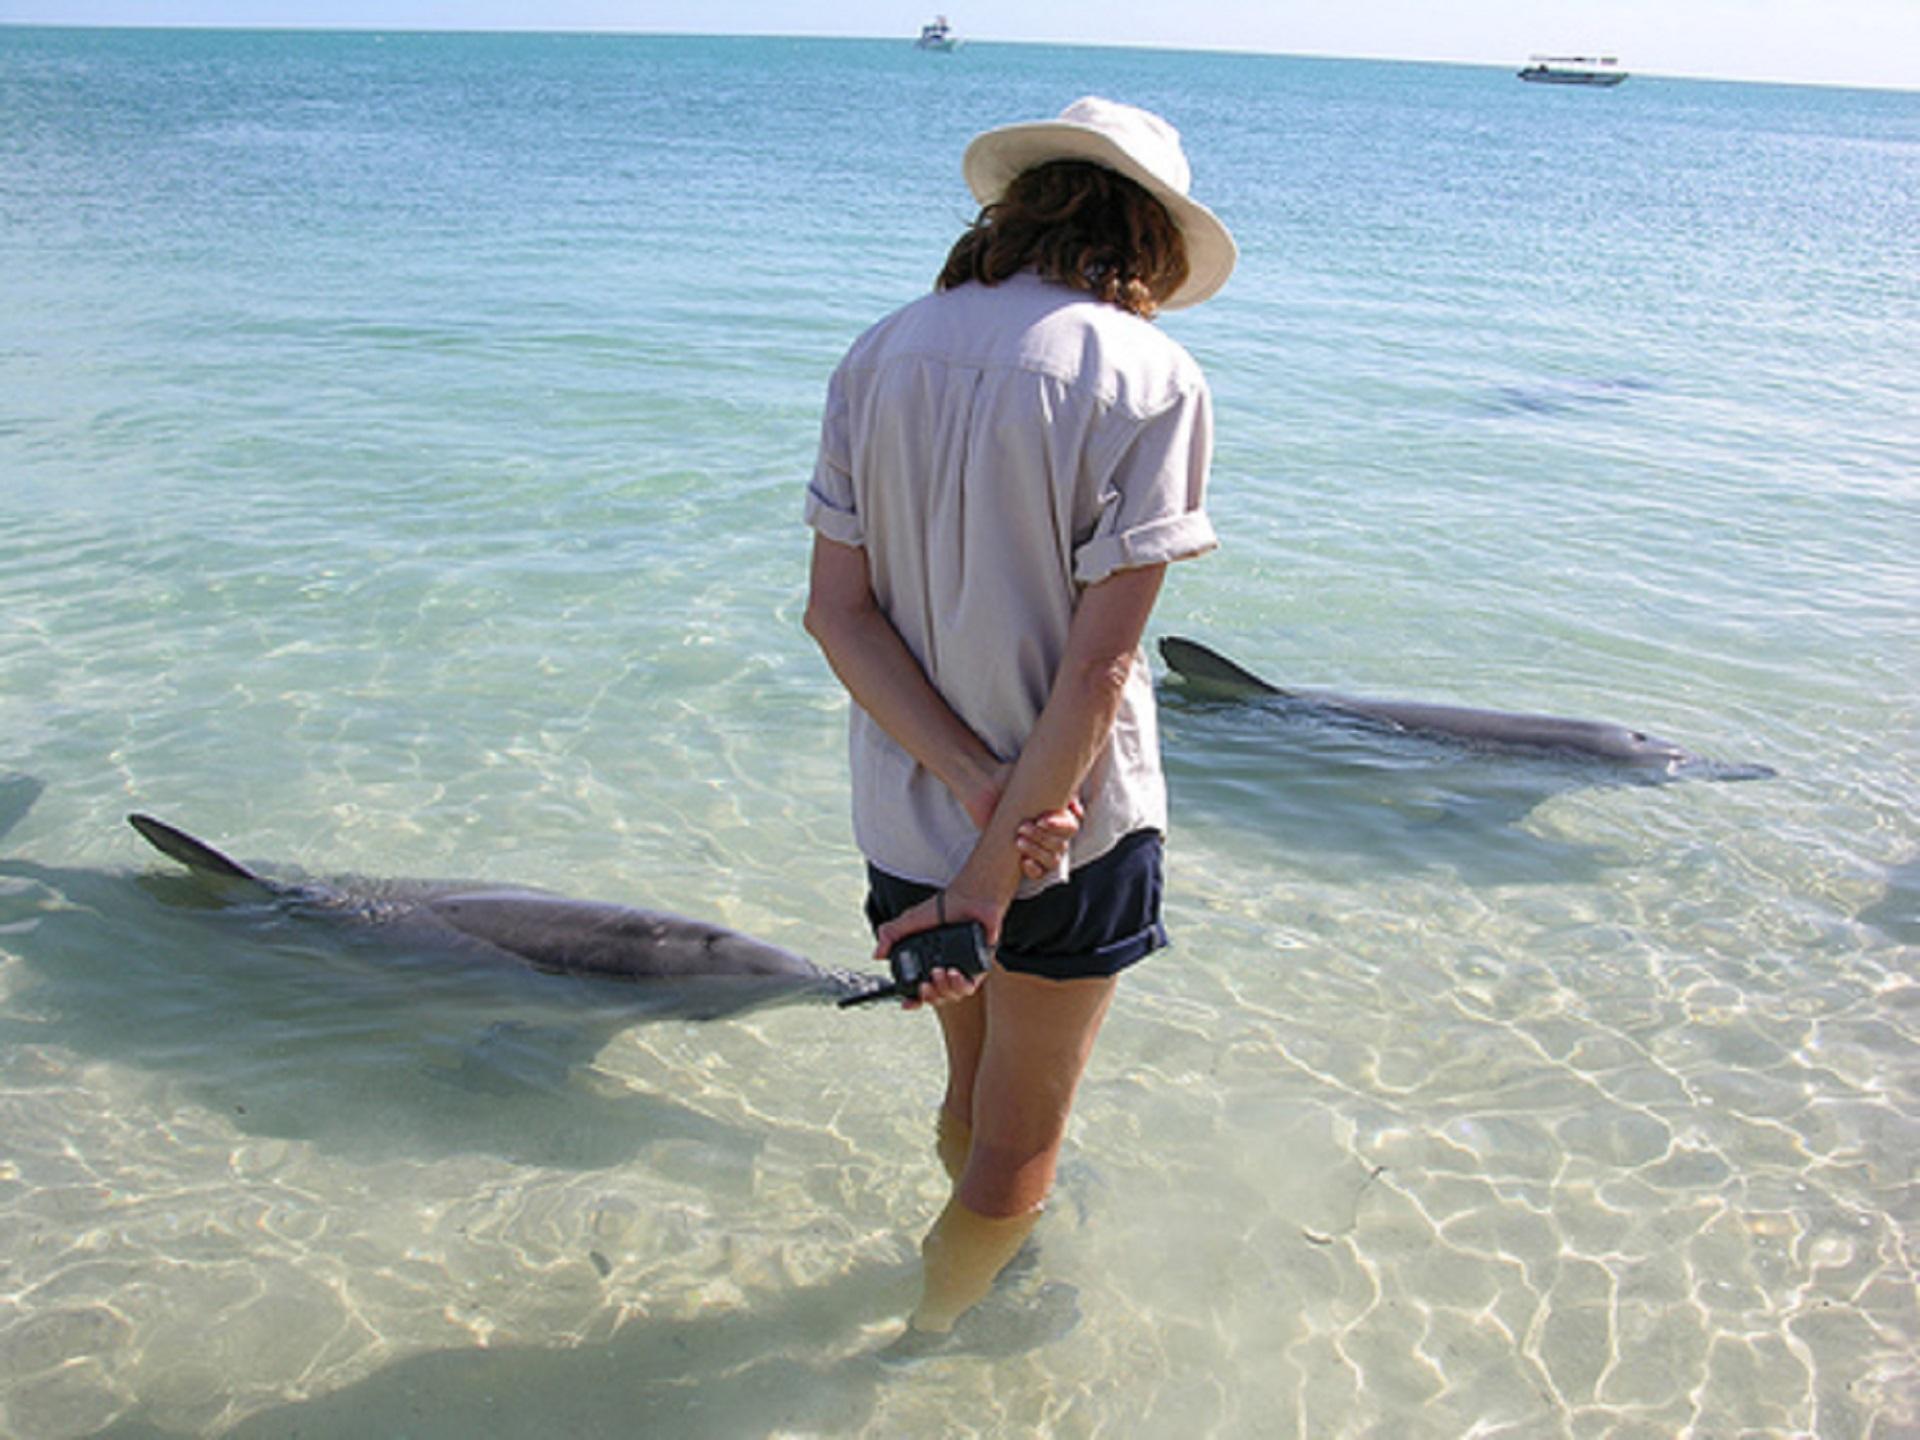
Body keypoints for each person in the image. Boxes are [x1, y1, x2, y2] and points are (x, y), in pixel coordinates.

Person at [802, 96, 1235, 1341]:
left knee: (973, 1095)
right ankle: (934, 1340)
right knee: (1021, 1141)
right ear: (1147, 237)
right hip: (1070, 834)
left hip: (909, 819)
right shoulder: (1151, 376)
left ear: (1017, 206)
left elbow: (840, 617)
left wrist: (971, 793)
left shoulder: (878, 352)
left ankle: (982, 1276)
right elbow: (1099, 672)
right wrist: (1003, 859)